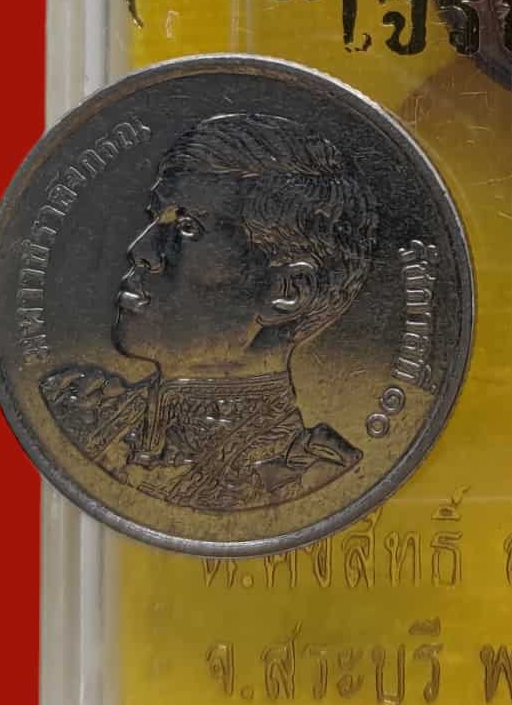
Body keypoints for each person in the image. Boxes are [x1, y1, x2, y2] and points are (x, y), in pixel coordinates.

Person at [40, 110, 379, 513]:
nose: (140, 250)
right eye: (156, 219)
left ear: (286, 292)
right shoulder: (81, 418)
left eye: (187, 228)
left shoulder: (312, 480)